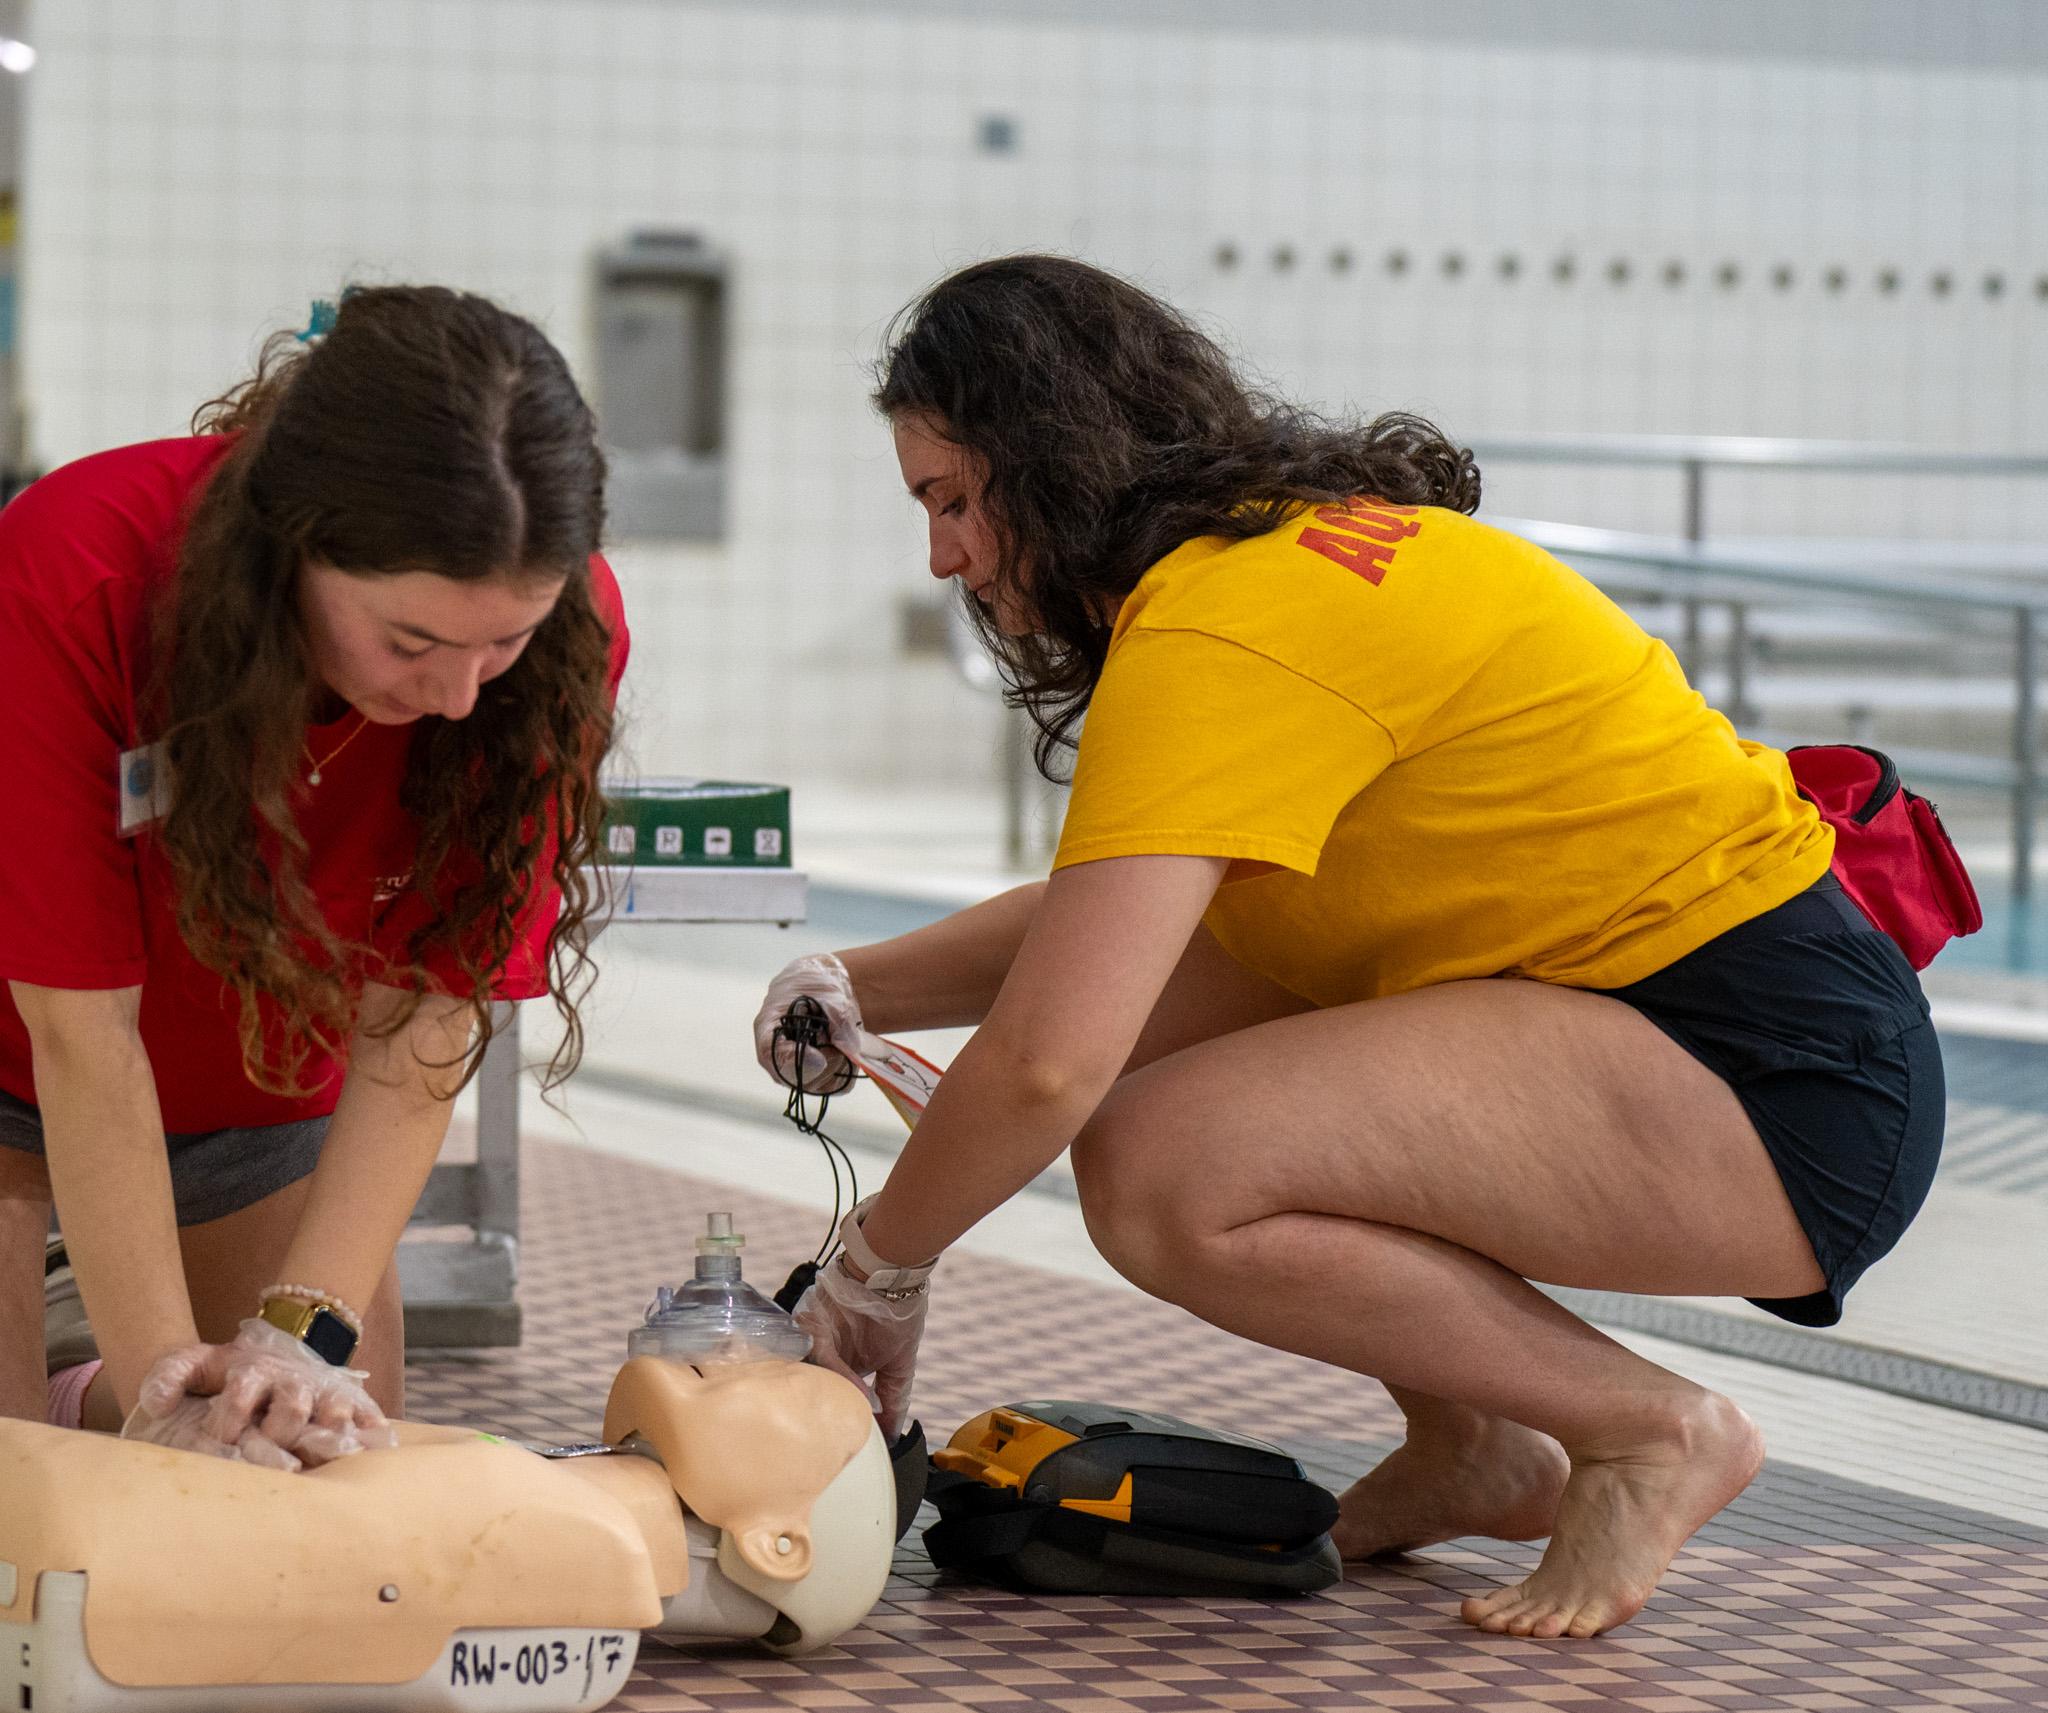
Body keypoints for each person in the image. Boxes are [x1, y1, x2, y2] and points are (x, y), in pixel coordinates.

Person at [753, 255, 1943, 1638]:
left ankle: (1651, 1428)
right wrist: (853, 986)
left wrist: (877, 1274)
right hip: (1764, 1034)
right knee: (1240, 1011)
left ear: (1055, 462)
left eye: (953, 501)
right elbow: (1108, 925)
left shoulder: (1218, 627)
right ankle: (1479, 1450)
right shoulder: (1285, 555)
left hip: (1773, 1083)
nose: (945, 557)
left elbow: (1045, 1067)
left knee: (1162, 1161)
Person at [0, 285, 627, 1469]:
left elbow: (427, 1024)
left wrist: (299, 1336)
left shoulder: (562, 644)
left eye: (504, 641)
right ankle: (87, 1384)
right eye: (409, 642)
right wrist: (160, 1391)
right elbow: (82, 1041)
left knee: (312, 1456)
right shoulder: (75, 573)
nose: (457, 694)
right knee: (33, 1494)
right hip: (18, 1050)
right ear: (292, 550)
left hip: (256, 1079)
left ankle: (87, 1383)